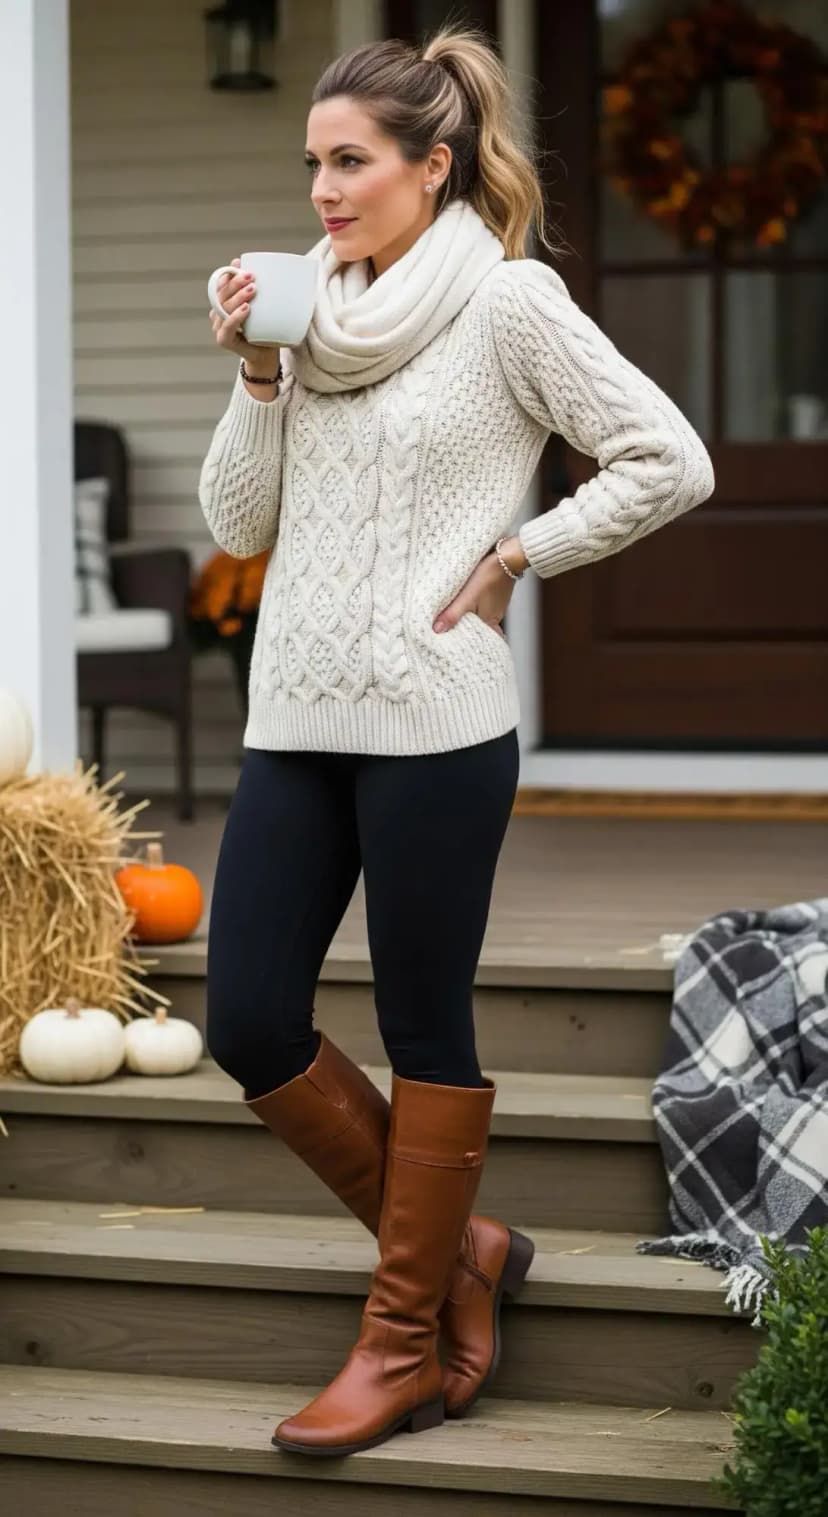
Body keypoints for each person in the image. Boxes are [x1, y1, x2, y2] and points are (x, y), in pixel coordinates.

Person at [198, 25, 715, 1460]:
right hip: (295, 721)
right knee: (247, 1020)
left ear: (433, 165)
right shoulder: (307, 315)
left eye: (349, 162)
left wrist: (519, 552)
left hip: (437, 725)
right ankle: (465, 1247)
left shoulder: (509, 302)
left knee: (426, 1026)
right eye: (312, 163)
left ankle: (401, 1342)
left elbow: (669, 457)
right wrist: (257, 373)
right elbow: (239, 521)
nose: (322, 190)